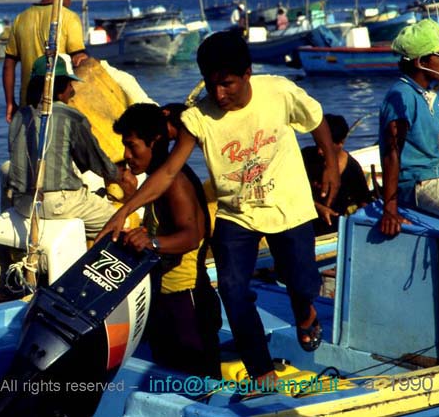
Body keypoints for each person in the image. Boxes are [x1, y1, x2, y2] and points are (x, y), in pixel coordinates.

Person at [98, 31, 340, 387]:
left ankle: (305, 314)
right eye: (212, 86)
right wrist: (124, 210)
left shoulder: (278, 91)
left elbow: (316, 120)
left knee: (303, 283)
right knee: (232, 289)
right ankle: (262, 372)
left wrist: (331, 164)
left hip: (289, 205)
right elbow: (167, 171)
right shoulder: (199, 117)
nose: (220, 95)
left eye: (227, 85)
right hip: (237, 213)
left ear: (247, 73)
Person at [114, 103, 222, 378]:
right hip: (166, 299)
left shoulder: (175, 183)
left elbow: (191, 235)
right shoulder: (155, 181)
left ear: (155, 141)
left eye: (132, 146)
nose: (127, 155)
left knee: (197, 384)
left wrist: (153, 242)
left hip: (187, 301)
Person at [8, 54, 131, 239]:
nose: (72, 91)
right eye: (69, 85)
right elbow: (96, 162)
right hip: (58, 203)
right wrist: (119, 175)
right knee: (123, 223)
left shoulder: (19, 116)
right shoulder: (71, 116)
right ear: (58, 89)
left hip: (23, 203)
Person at [379, 18, 439, 236]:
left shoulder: (429, 95)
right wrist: (389, 208)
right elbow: (392, 153)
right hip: (418, 183)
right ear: (422, 62)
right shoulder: (401, 96)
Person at [3, 0, 88, 123]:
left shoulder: (20, 19)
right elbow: (79, 60)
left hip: (27, 107)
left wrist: (9, 103)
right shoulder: (69, 18)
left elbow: (9, 64)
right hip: (58, 108)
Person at [302, 113, 373, 236]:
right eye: (318, 145)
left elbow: (364, 202)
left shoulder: (352, 169)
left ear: (341, 143)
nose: (319, 151)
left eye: (325, 147)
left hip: (332, 230)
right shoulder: (307, 157)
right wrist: (318, 207)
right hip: (304, 224)